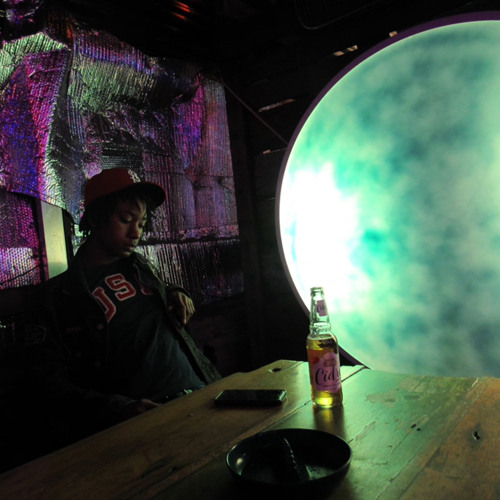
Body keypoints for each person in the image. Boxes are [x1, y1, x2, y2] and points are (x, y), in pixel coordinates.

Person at [25, 167, 220, 450]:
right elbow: (47, 383)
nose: (135, 233)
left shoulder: (139, 266)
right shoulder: (56, 297)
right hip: (146, 422)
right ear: (95, 218)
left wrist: (175, 292)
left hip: (202, 393)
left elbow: (154, 304)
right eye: (126, 220)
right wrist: (118, 409)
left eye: (141, 223)